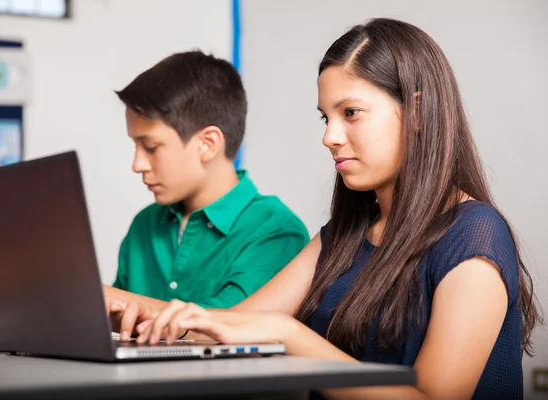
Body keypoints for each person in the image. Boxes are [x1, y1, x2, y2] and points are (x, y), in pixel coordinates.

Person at [111, 19, 541, 399]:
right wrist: (110, 305)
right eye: (325, 118)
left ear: (418, 112)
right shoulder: (342, 237)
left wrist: (288, 333)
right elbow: (227, 326)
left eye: (350, 113)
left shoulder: (474, 235)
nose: (330, 136)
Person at [0, 51, 310, 330]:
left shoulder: (275, 232)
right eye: (134, 147)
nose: (137, 164)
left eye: (150, 147)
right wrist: (11, 306)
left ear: (208, 144)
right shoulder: (145, 225)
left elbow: (226, 328)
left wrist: (99, 296)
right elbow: (112, 318)